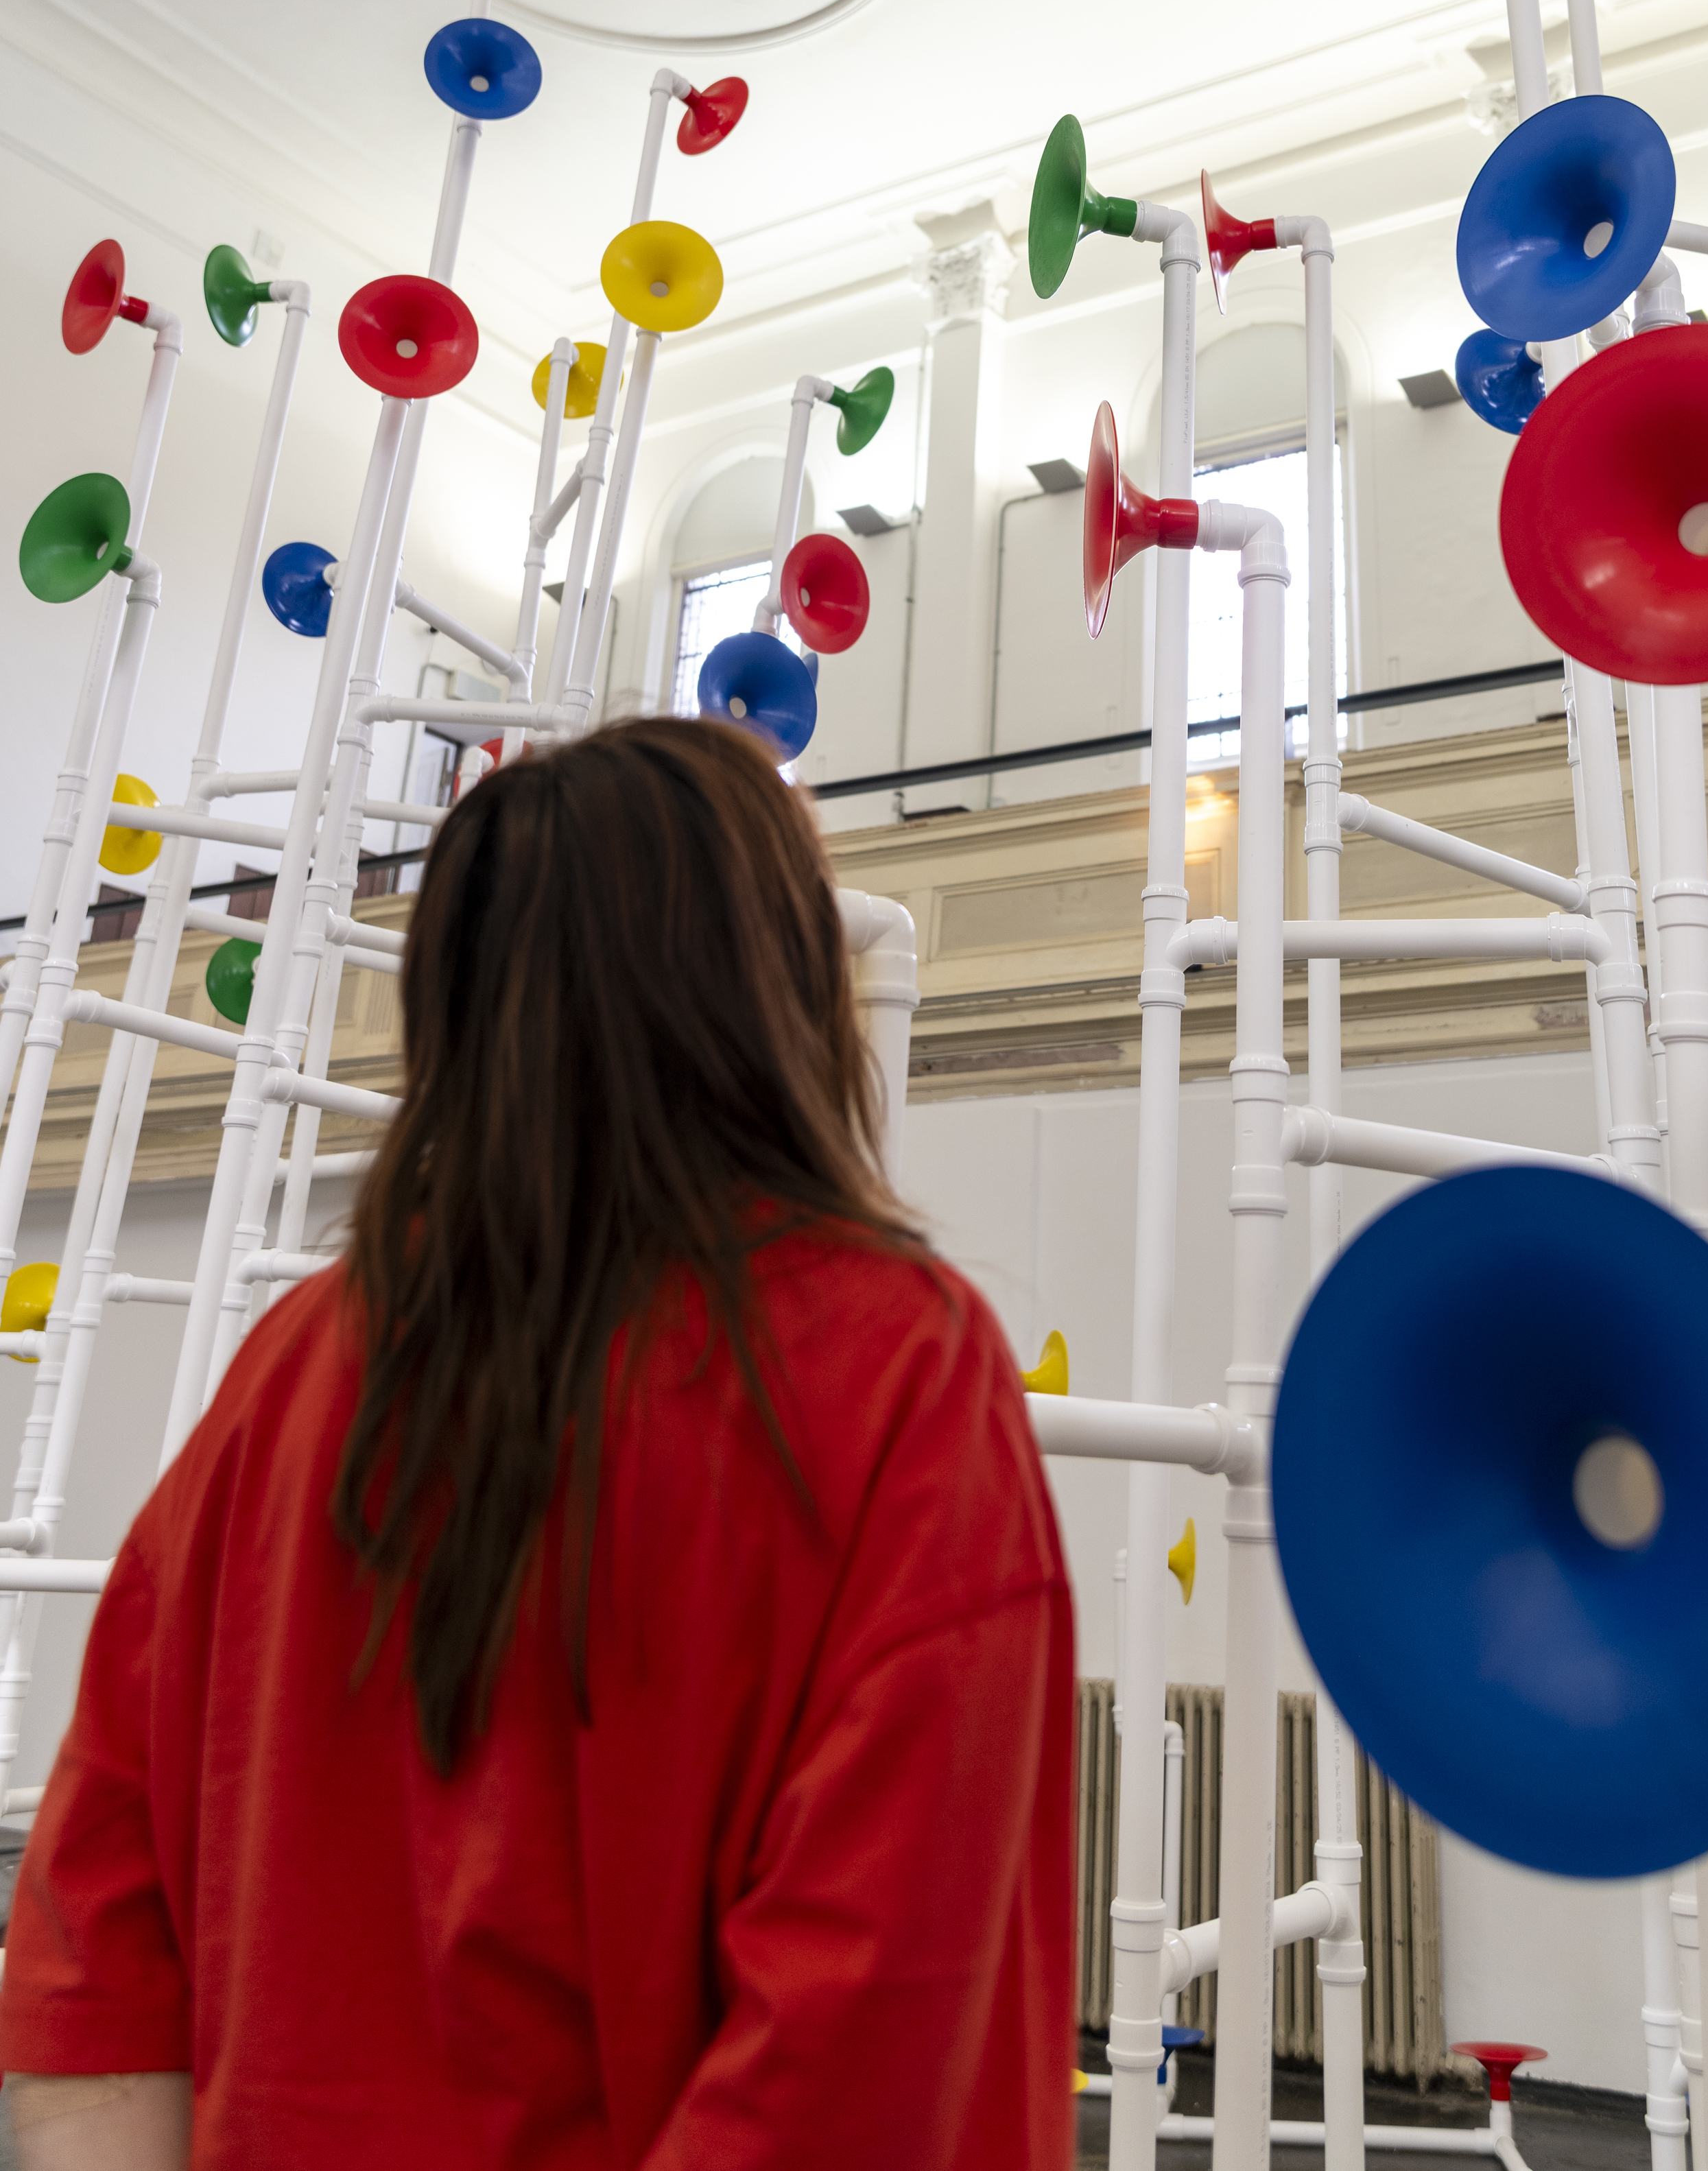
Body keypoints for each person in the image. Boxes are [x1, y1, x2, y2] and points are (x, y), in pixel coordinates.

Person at [0, 714, 1075, 2166]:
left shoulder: (291, 1371)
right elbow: (870, 2024)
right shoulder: (895, 1364)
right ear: (772, 985)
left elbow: (98, 1945)